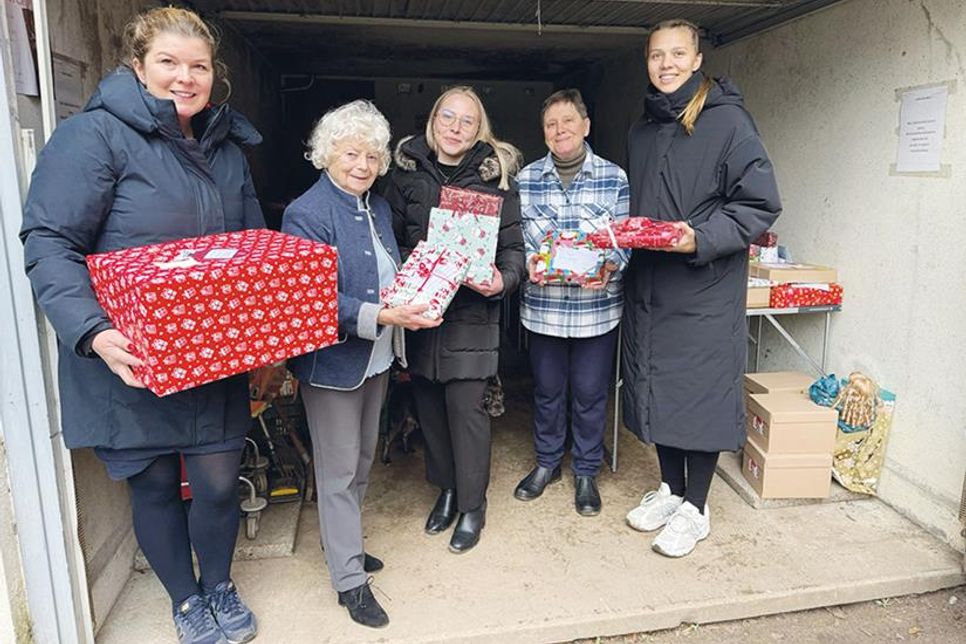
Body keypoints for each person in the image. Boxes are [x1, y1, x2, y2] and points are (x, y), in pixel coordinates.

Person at [20, 7, 264, 644]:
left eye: (198, 66)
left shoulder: (226, 147)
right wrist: (94, 331)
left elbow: (254, 246)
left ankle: (218, 584)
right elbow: (49, 242)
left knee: (215, 482)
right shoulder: (92, 137)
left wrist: (268, 333)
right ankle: (185, 601)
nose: (185, 78)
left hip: (213, 351)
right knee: (155, 486)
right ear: (137, 65)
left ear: (215, 75)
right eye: (169, 63)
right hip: (130, 355)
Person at [622, 19, 782, 558]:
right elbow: (643, 209)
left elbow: (759, 205)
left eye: (677, 54)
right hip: (650, 284)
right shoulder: (641, 130)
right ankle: (671, 490)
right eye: (656, 55)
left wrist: (699, 239)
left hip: (704, 287)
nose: (666, 64)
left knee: (699, 395)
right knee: (658, 387)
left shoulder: (728, 123)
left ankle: (698, 506)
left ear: (696, 60)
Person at [281, 100, 440, 628]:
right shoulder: (307, 213)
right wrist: (385, 311)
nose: (363, 165)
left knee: (364, 460)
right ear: (327, 155)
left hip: (375, 357)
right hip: (332, 366)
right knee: (338, 468)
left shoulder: (374, 206)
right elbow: (314, 301)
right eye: (352, 153)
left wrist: (419, 293)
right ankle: (349, 579)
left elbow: (386, 271)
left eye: (372, 156)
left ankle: (343, 546)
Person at [383, 86, 526, 554]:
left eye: (467, 121)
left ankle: (472, 505)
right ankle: (445, 490)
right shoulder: (406, 174)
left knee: (468, 413)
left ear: (478, 127)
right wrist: (421, 268)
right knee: (429, 410)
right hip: (422, 312)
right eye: (448, 117)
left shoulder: (496, 179)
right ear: (433, 120)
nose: (455, 128)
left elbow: (514, 251)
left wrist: (500, 281)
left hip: (472, 315)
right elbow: (391, 240)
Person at [513, 89, 630, 516]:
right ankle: (547, 464)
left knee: (589, 392)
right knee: (547, 391)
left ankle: (585, 470)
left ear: (586, 126)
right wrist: (530, 261)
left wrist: (610, 267)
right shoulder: (525, 180)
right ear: (543, 133)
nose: (559, 130)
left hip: (595, 310)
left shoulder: (613, 177)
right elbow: (520, 237)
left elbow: (623, 240)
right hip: (544, 308)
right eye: (550, 124)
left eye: (567, 121)